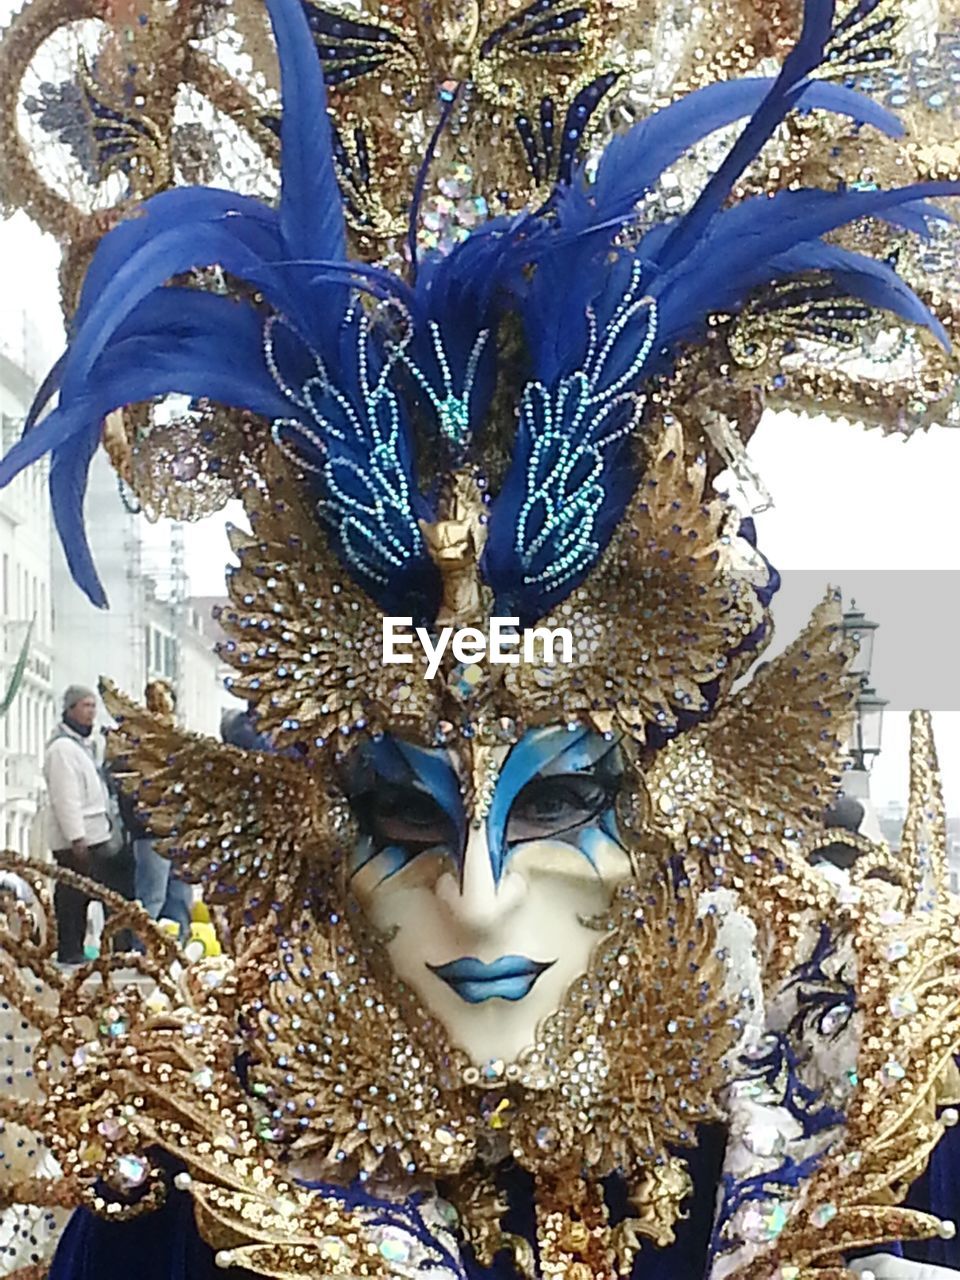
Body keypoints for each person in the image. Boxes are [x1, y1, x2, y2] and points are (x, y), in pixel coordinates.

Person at [1, 0, 960, 1273]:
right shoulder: (183, 1189)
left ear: (698, 783)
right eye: (403, 815)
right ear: (294, 811)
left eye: (562, 794)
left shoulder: (840, 1136)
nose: (483, 894)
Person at [43, 685, 127, 963]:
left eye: (93, 706)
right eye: (85, 706)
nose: (91, 712)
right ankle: (71, 950)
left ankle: (114, 947)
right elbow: (65, 797)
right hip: (81, 840)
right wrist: (76, 837)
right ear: (70, 710)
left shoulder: (84, 747)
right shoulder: (63, 750)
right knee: (74, 896)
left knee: (102, 893)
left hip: (97, 833)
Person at [117, 680, 193, 944]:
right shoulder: (137, 744)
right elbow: (126, 786)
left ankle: (179, 953)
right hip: (151, 834)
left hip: (180, 832)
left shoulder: (180, 741)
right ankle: (142, 952)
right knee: (153, 899)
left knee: (179, 899)